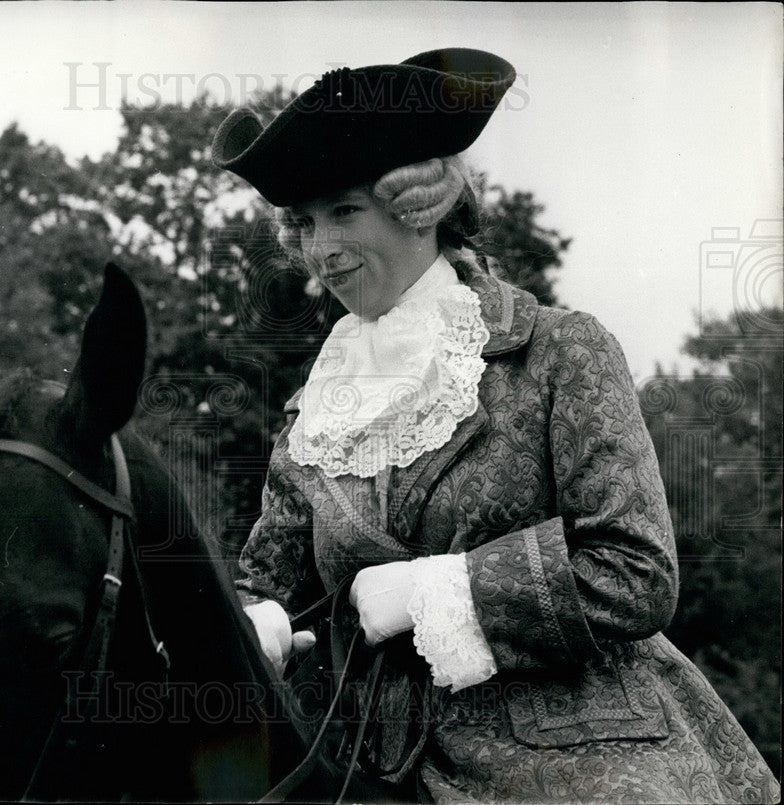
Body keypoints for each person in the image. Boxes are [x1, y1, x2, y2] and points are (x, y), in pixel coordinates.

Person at [211, 48, 780, 803]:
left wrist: (438, 590)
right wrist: (259, 625)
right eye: (308, 222)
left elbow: (637, 573)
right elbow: (267, 580)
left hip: (578, 757)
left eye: (344, 211)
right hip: (364, 757)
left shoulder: (559, 351)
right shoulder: (312, 408)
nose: (321, 248)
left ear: (421, 204)